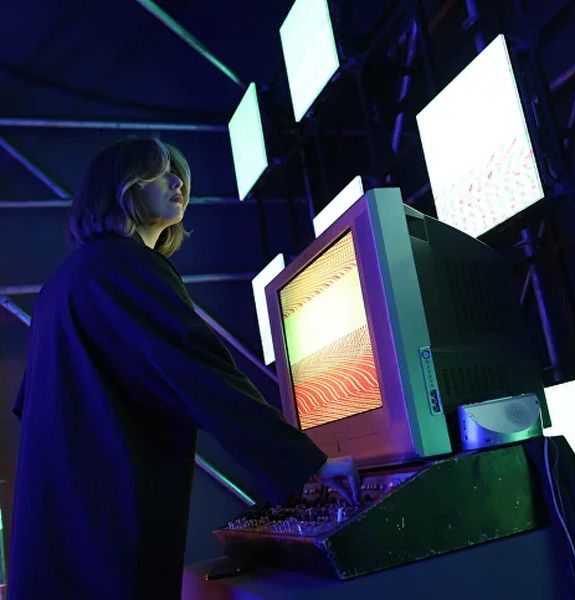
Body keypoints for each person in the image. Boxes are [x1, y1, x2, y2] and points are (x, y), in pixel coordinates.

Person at [8, 136, 360, 599]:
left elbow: (28, 405)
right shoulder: (125, 266)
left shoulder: (67, 280)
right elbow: (202, 372)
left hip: (58, 545)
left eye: (179, 175)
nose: (177, 183)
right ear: (121, 188)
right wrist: (306, 463)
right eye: (158, 173)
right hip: (105, 548)